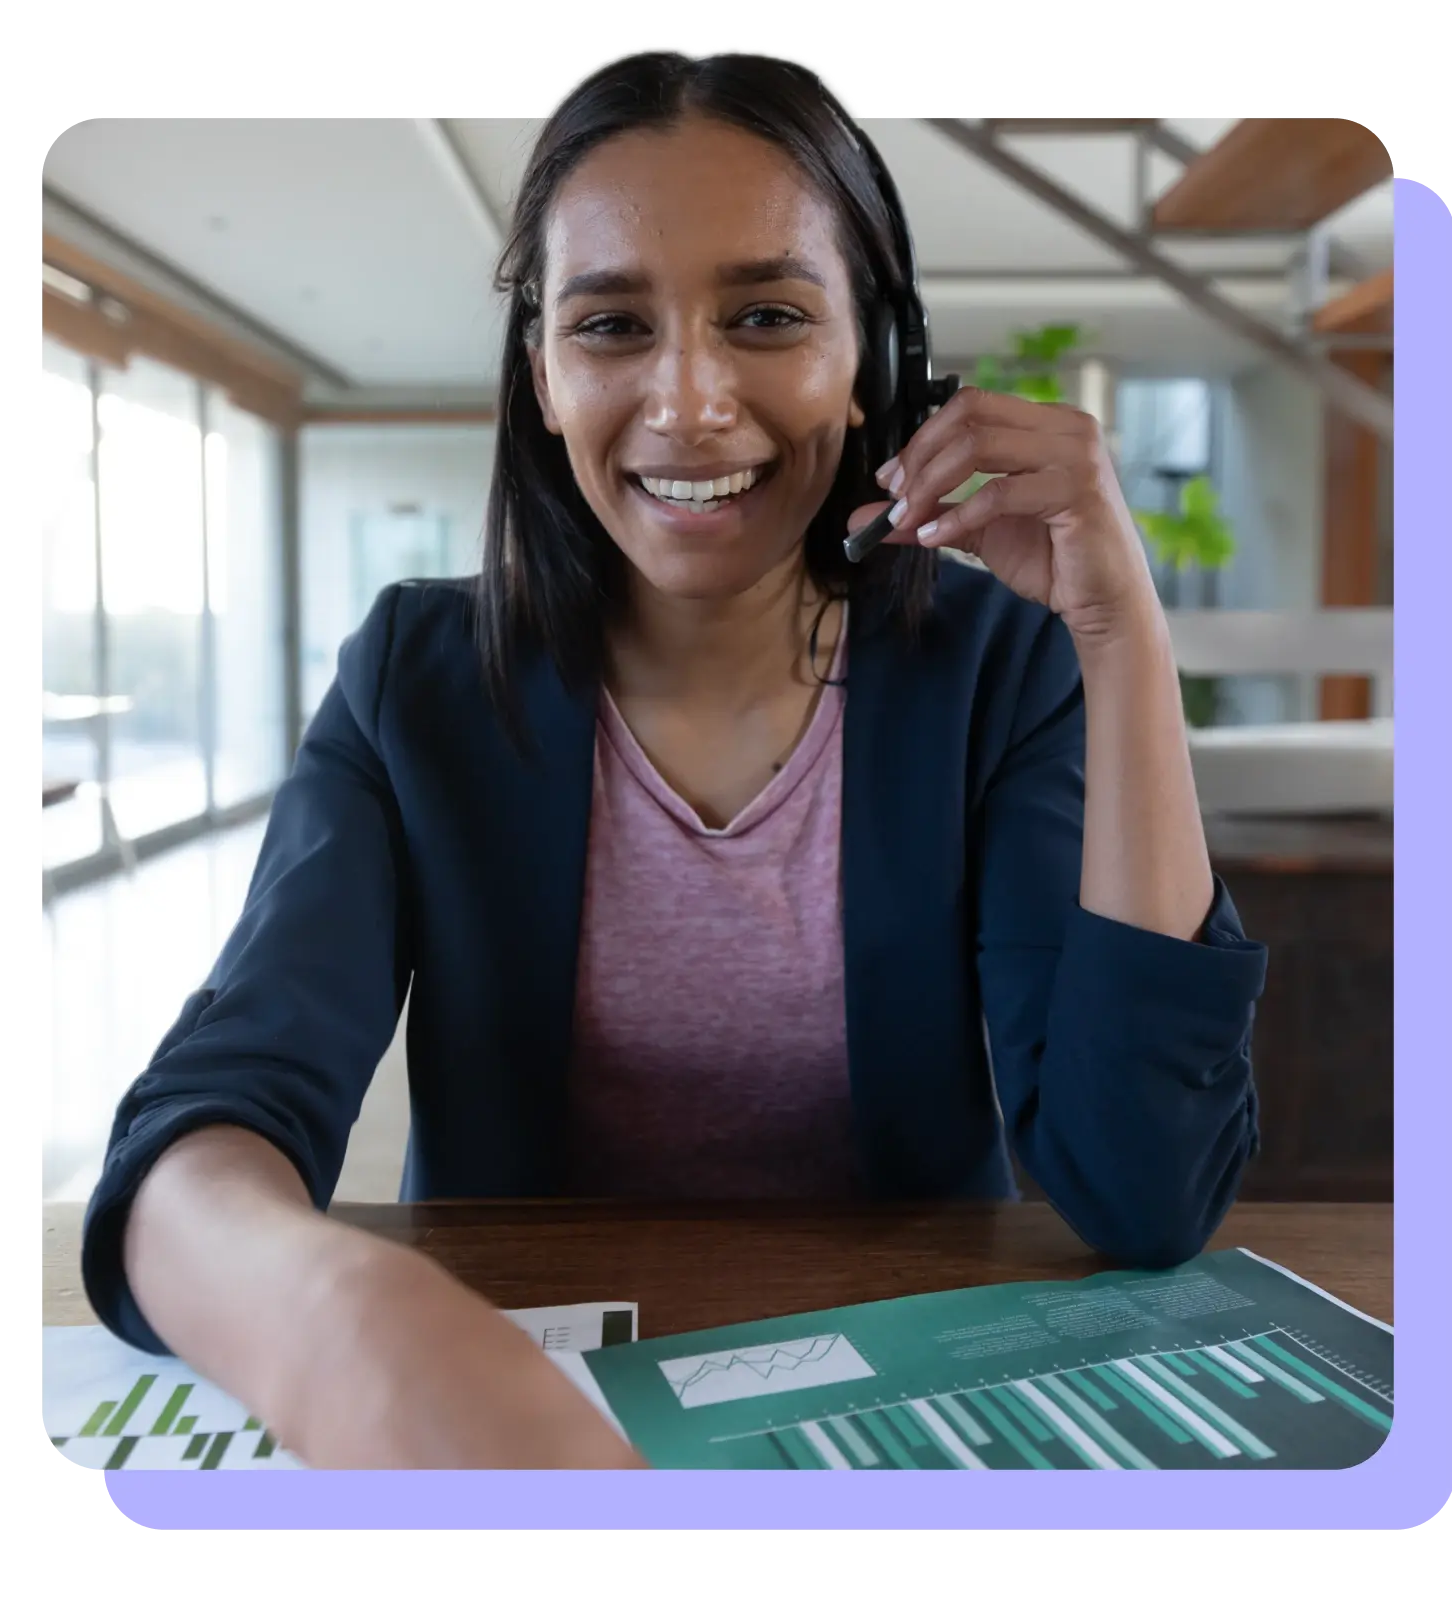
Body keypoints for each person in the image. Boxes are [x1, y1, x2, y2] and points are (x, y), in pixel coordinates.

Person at [79, 49, 1267, 1470]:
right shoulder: (420, 682)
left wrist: (1118, 631)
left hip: (888, 1405)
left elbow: (1144, 1191)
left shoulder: (990, 672)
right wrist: (337, 1319)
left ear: (873, 360)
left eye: (767, 314)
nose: (690, 401)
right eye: (611, 326)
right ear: (542, 375)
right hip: (508, 1403)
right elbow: (218, 1110)